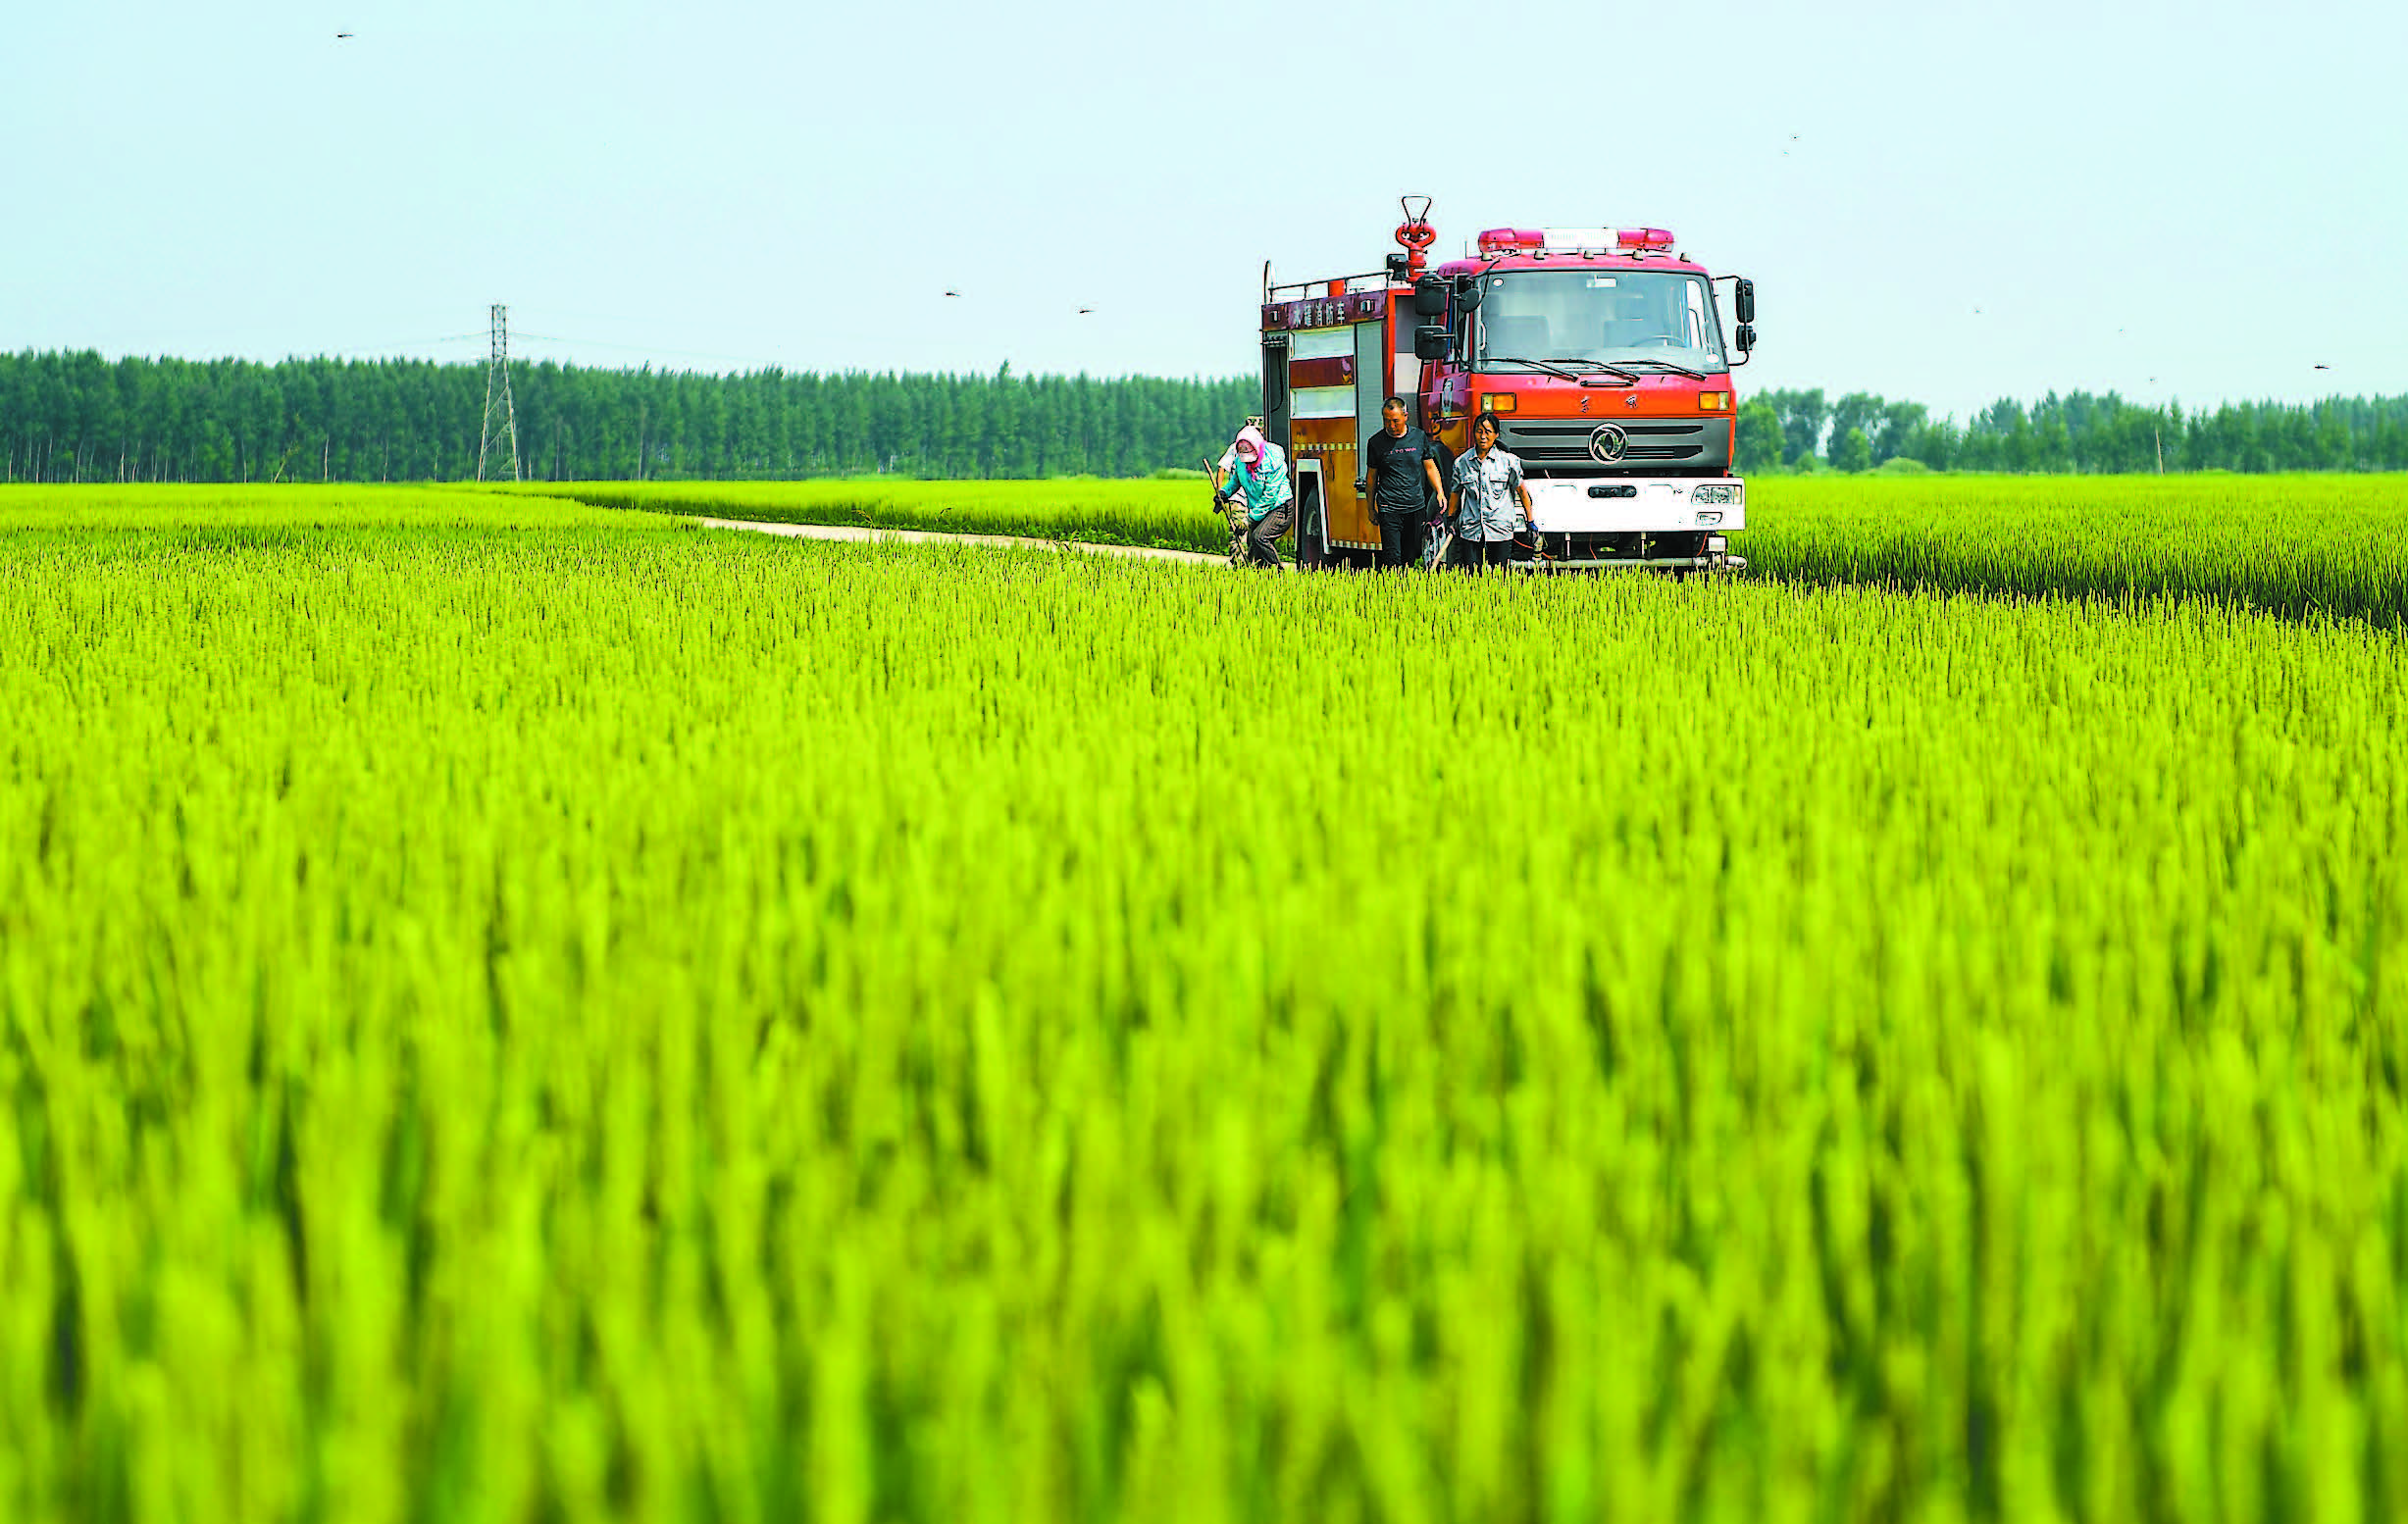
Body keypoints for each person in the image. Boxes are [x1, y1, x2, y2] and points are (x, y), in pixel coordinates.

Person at [1362, 396, 1445, 571]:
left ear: (1406, 416)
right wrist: (1370, 508)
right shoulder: (1376, 443)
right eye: (1386, 421)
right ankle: (1392, 591)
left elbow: (1430, 467)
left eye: (1395, 421)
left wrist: (1439, 491)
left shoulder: (1419, 437)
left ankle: (1405, 590)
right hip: (1389, 507)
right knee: (1392, 558)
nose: (1391, 426)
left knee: (1410, 556)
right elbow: (1371, 479)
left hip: (1415, 506)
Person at [1447, 411, 1533, 571]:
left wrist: (1531, 520)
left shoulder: (1508, 462)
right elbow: (1455, 492)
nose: (1483, 436)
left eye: (1488, 432)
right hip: (1471, 527)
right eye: (1479, 432)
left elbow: (1521, 491)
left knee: (1500, 575)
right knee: (1470, 575)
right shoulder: (1462, 462)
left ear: (1496, 435)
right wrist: (1450, 518)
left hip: (1500, 526)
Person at [1220, 425, 1293, 569]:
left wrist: (1248, 520)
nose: (1249, 462)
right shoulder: (1241, 463)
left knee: (1260, 537)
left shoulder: (1273, 462)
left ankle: (1277, 571)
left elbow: (1270, 497)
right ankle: (1259, 575)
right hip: (1258, 511)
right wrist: (1224, 493)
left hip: (1279, 508)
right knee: (1252, 545)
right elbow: (1235, 481)